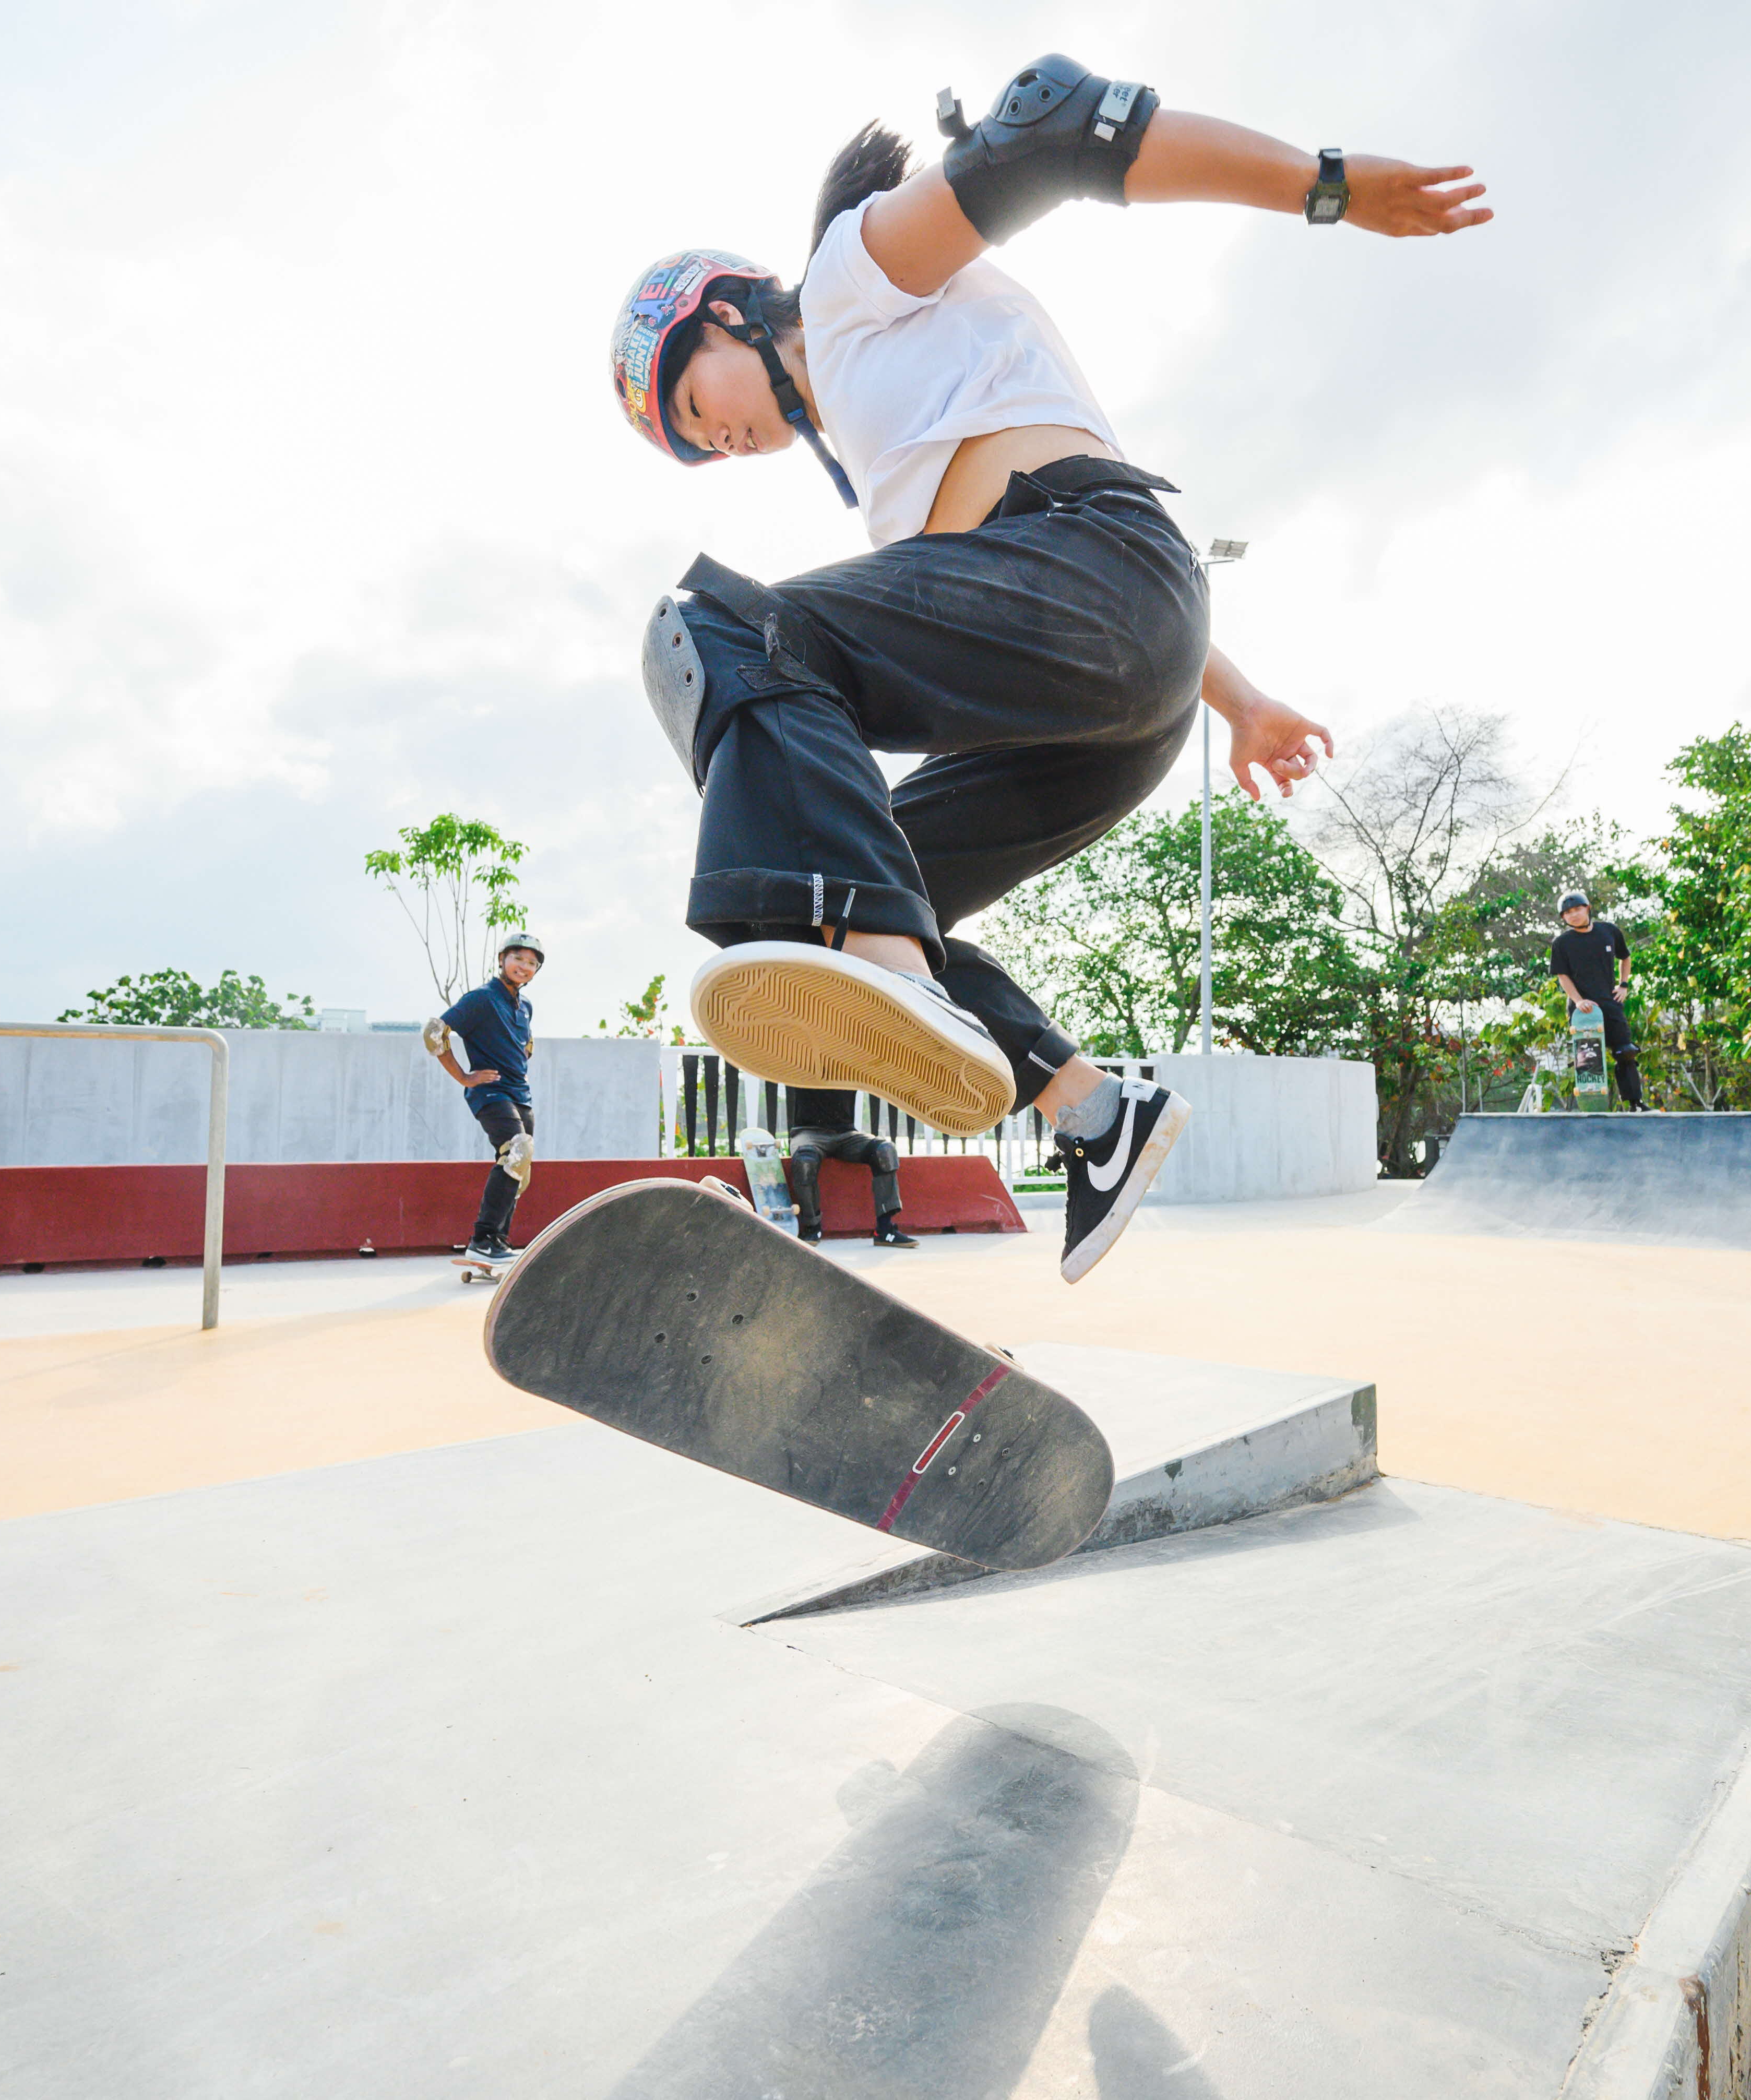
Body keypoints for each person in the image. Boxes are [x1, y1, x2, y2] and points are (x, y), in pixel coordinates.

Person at [613, 55, 1487, 1282]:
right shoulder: (887, 457)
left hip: (1105, 575)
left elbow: (1055, 134)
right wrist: (1237, 700)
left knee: (715, 628)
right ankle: (1091, 1112)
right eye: (701, 448)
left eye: (696, 410)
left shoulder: (851, 277)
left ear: (723, 312)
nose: (721, 441)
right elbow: (1062, 614)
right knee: (847, 893)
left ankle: (887, 980)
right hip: (1114, 675)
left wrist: (1326, 186)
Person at [430, 935, 545, 1259]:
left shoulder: (525, 1007)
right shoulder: (481, 998)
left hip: (520, 1094)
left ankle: (498, 1242)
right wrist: (465, 1077)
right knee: (516, 1151)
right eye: (518, 959)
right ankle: (483, 1240)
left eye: (532, 964)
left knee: (518, 1167)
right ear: (502, 960)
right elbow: (434, 1033)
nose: (524, 967)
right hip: (491, 1092)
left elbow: (526, 1045)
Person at [782, 1088, 918, 1248]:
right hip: (808, 1134)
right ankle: (812, 1227)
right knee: (805, 1162)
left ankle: (884, 1230)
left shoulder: (851, 1065)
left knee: (885, 1151)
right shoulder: (803, 1063)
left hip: (846, 1135)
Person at [1547, 893, 1645, 1110]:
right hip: (1583, 1010)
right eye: (1567, 914)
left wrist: (1624, 985)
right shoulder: (1562, 943)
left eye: (1577, 910)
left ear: (1587, 908)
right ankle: (1591, 1110)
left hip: (1610, 1002)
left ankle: (1635, 1104)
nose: (1573, 915)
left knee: (1625, 1051)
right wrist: (1579, 1001)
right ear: (1563, 918)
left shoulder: (1609, 931)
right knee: (1588, 1060)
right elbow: (1563, 976)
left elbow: (1625, 957)